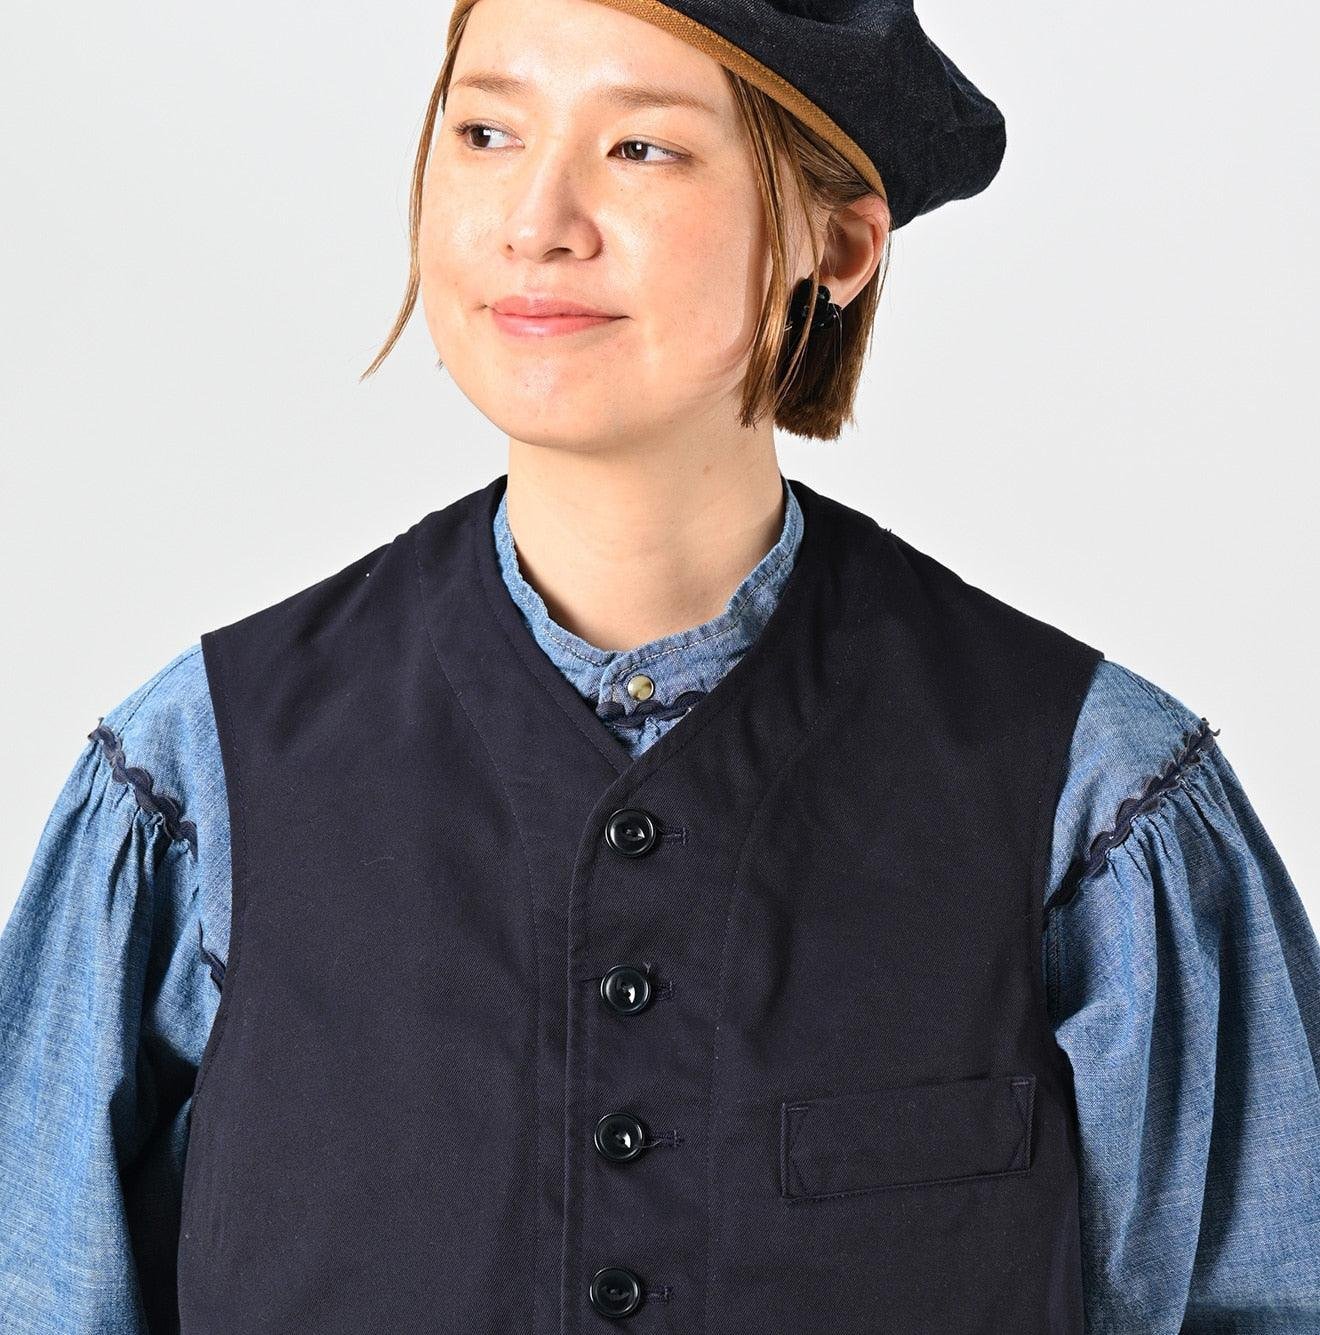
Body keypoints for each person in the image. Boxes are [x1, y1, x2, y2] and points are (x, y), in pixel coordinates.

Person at [2, 0, 1317, 1329]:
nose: (538, 220)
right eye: (487, 131)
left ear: (837, 243)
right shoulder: (195, 783)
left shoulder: (1096, 806)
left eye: (641, 148)